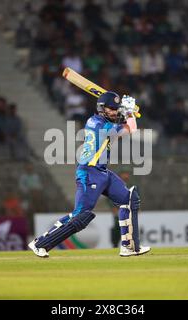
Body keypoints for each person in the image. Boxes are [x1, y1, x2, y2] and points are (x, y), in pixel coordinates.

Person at [28, 92, 151, 258]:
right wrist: (129, 112)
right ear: (102, 109)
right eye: (112, 109)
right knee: (81, 215)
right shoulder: (101, 126)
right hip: (89, 173)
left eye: (116, 109)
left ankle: (130, 246)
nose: (114, 112)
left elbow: (120, 125)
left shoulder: (98, 121)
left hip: (101, 171)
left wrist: (124, 111)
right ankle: (40, 243)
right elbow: (131, 129)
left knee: (129, 199)